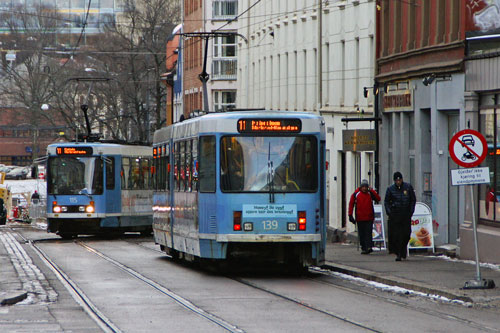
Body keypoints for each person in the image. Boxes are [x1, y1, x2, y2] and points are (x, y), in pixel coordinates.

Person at [384, 171, 416, 261]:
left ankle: (403, 249)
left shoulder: (408, 187)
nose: (398, 182)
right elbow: (386, 201)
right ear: (394, 181)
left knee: (406, 234)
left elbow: (413, 200)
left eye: (400, 180)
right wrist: (389, 212)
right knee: (397, 235)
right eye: (396, 180)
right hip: (395, 214)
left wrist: (411, 211)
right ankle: (399, 253)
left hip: (406, 214)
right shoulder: (390, 189)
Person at [348, 179, 381, 254]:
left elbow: (378, 198)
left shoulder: (370, 193)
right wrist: (350, 215)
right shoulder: (356, 194)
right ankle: (364, 247)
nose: (364, 188)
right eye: (363, 187)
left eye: (366, 187)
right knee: (362, 233)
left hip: (369, 217)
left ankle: (369, 246)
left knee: (368, 232)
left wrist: (372, 190)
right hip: (360, 217)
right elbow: (351, 204)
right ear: (361, 187)